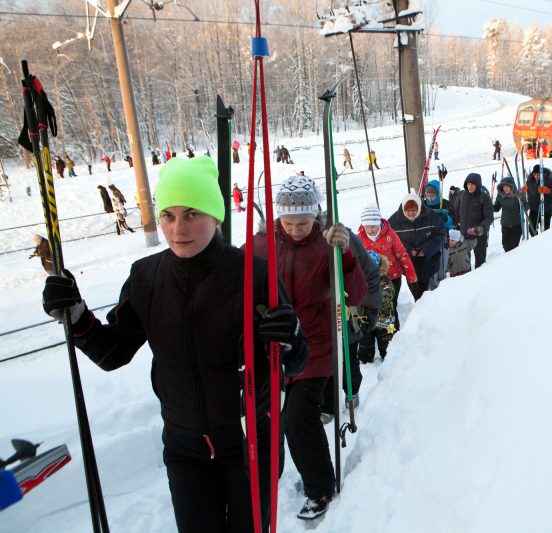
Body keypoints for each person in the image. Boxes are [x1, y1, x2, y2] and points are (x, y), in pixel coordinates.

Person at [41, 156, 309, 532]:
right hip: (184, 449)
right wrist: (74, 314)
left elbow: (295, 362)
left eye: (192, 213)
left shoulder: (253, 275)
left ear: (215, 216)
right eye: (168, 215)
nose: (178, 228)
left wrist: (292, 338)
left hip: (249, 442)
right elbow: (111, 352)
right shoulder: (146, 277)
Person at [251, 175, 367, 521]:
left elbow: (357, 293)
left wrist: (345, 254)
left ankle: (319, 488)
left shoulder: (328, 246)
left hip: (317, 345)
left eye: (304, 222)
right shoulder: (260, 246)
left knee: (299, 415)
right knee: (271, 418)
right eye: (289, 222)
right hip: (274, 346)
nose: (297, 229)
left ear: (316, 216)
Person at [357, 205, 417, 331]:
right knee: (374, 306)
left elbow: (402, 255)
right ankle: (376, 330)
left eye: (372, 226)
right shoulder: (359, 239)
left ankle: (393, 330)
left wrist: (411, 276)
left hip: (393, 277)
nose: (370, 230)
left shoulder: (390, 235)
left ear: (378, 223)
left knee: (390, 305)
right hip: (372, 280)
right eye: (366, 226)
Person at [388, 194, 445, 301]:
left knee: (425, 288)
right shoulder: (394, 221)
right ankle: (418, 305)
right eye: (408, 210)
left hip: (427, 260)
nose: (411, 213)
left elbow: (440, 233)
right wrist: (410, 251)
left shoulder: (430, 216)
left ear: (419, 208)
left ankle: (426, 306)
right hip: (408, 262)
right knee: (415, 290)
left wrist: (425, 249)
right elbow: (392, 241)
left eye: (414, 210)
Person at [357, 251, 396, 363]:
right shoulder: (361, 282)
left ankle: (388, 360)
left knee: (386, 344)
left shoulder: (385, 282)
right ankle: (365, 359)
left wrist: (371, 297)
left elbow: (388, 294)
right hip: (365, 320)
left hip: (384, 322)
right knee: (365, 343)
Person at [422, 179, 455, 289]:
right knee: (430, 272)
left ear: (438, 194)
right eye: (427, 195)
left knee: (440, 272)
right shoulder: (423, 205)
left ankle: (441, 294)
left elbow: (454, 223)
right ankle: (431, 296)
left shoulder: (445, 204)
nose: (430, 198)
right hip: (427, 241)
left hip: (442, 241)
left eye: (433, 195)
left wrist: (445, 218)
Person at [454, 173, 493, 268]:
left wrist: (481, 228)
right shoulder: (462, 195)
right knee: (464, 264)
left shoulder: (484, 197)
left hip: (478, 236)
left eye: (472, 184)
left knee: (480, 264)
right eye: (468, 184)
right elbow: (456, 212)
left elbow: (489, 217)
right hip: (464, 235)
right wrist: (455, 224)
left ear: (478, 185)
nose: (470, 187)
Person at [524, 164, 552, 234]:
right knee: (531, 230)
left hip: (546, 209)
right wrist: (524, 191)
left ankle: (543, 243)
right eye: (535, 174)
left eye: (538, 174)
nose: (536, 176)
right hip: (534, 209)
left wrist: (547, 190)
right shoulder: (529, 181)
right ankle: (537, 241)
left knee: (545, 231)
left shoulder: (550, 180)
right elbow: (528, 194)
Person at [493, 177, 524, 251]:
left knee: (513, 248)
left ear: (511, 186)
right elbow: (496, 208)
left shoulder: (518, 195)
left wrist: (523, 199)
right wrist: (489, 206)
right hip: (505, 225)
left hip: (516, 225)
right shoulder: (500, 195)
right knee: (505, 246)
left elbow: (526, 207)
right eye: (504, 186)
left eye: (507, 186)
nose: (505, 188)